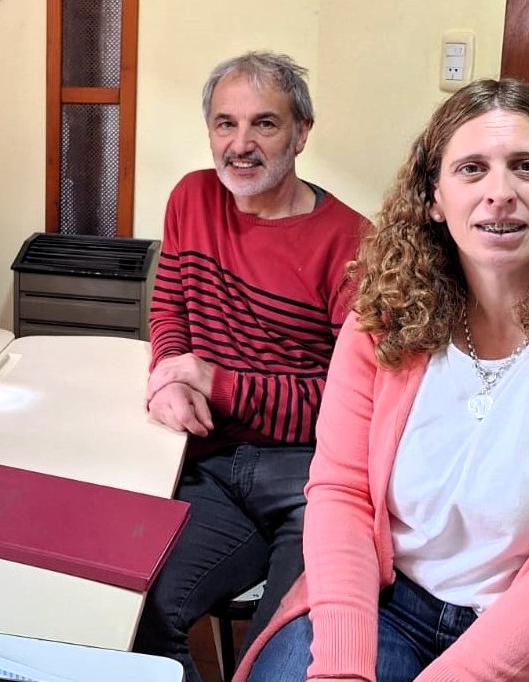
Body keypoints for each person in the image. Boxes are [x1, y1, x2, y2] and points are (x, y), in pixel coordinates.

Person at [243, 79, 529, 681]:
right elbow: (342, 494)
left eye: (527, 167)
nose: (500, 193)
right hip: (390, 604)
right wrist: (342, 666)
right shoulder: (382, 322)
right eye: (472, 169)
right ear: (435, 199)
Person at [132, 52, 366, 681]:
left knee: (280, 659)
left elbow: (351, 403)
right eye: (225, 124)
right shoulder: (192, 198)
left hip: (311, 476)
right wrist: (166, 374)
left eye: (264, 123)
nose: (240, 145)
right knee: (137, 613)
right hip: (206, 460)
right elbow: (170, 307)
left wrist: (215, 382)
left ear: (301, 133)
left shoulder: (352, 244)